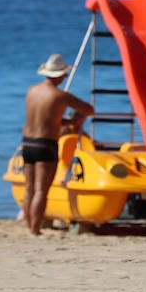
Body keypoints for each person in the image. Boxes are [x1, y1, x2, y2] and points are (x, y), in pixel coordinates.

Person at [21, 54, 93, 235]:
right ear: (60, 75)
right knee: (41, 190)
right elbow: (89, 109)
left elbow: (43, 119)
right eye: (64, 74)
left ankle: (30, 226)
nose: (66, 77)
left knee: (29, 188)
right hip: (46, 144)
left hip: (28, 143)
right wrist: (76, 118)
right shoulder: (60, 96)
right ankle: (35, 230)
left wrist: (66, 123)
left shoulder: (32, 91)